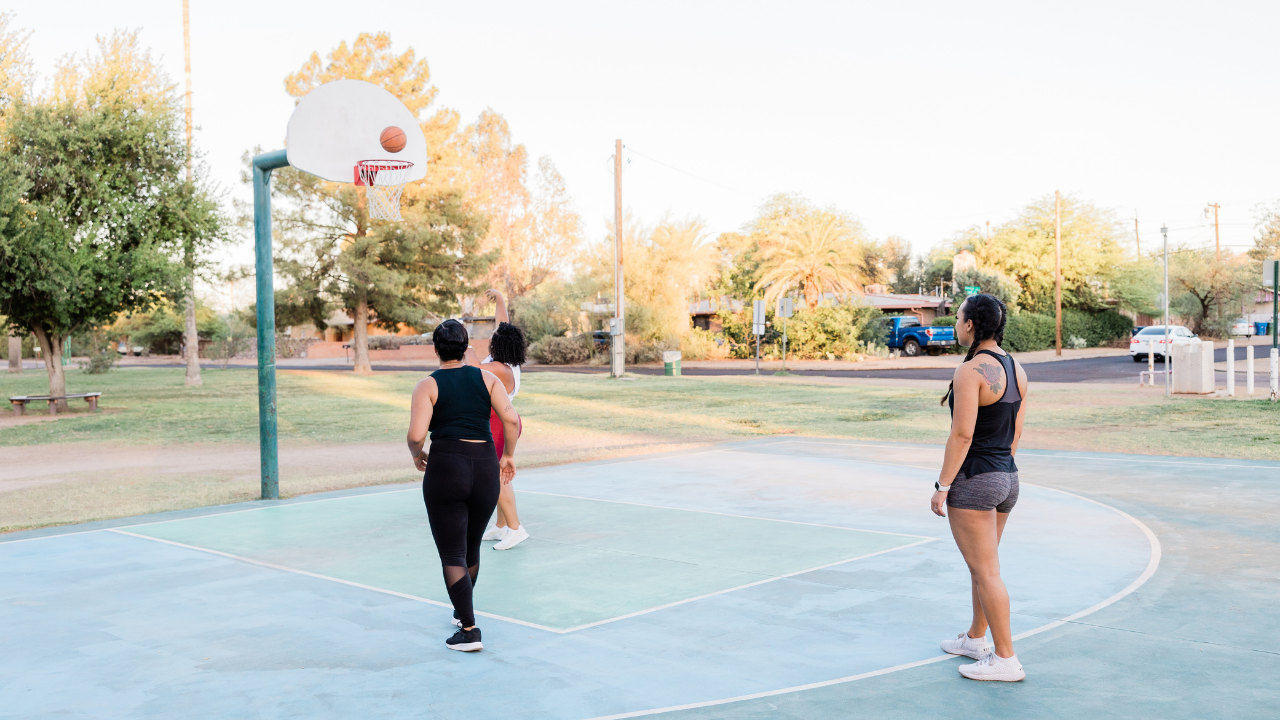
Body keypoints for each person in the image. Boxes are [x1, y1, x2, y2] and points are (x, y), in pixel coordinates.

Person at [931, 293, 1029, 682]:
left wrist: (943, 485)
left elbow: (962, 434)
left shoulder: (970, 371)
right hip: (1007, 478)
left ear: (971, 325)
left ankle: (1006, 659)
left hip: (976, 481)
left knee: (986, 572)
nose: (956, 325)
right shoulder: (1017, 368)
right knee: (983, 567)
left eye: (958, 319)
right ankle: (976, 639)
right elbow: (1017, 431)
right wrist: (1001, 468)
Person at [407, 319, 520, 652]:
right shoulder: (488, 378)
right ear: (466, 345)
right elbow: (511, 419)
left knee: (452, 552)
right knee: (470, 548)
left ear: (436, 348)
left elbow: (416, 435)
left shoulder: (428, 385)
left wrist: (418, 454)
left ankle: (469, 630)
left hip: (447, 466)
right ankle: (462, 610)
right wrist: (508, 456)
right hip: (485, 466)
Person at [465, 289, 530, 551]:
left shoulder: (499, 369)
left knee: (497, 477)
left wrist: (465, 342)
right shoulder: (504, 359)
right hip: (499, 421)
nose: (491, 337)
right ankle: (502, 526)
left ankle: (516, 528)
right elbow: (503, 323)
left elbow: (472, 369)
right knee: (497, 476)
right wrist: (500, 299)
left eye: (493, 337)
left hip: (499, 424)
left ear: (499, 345)